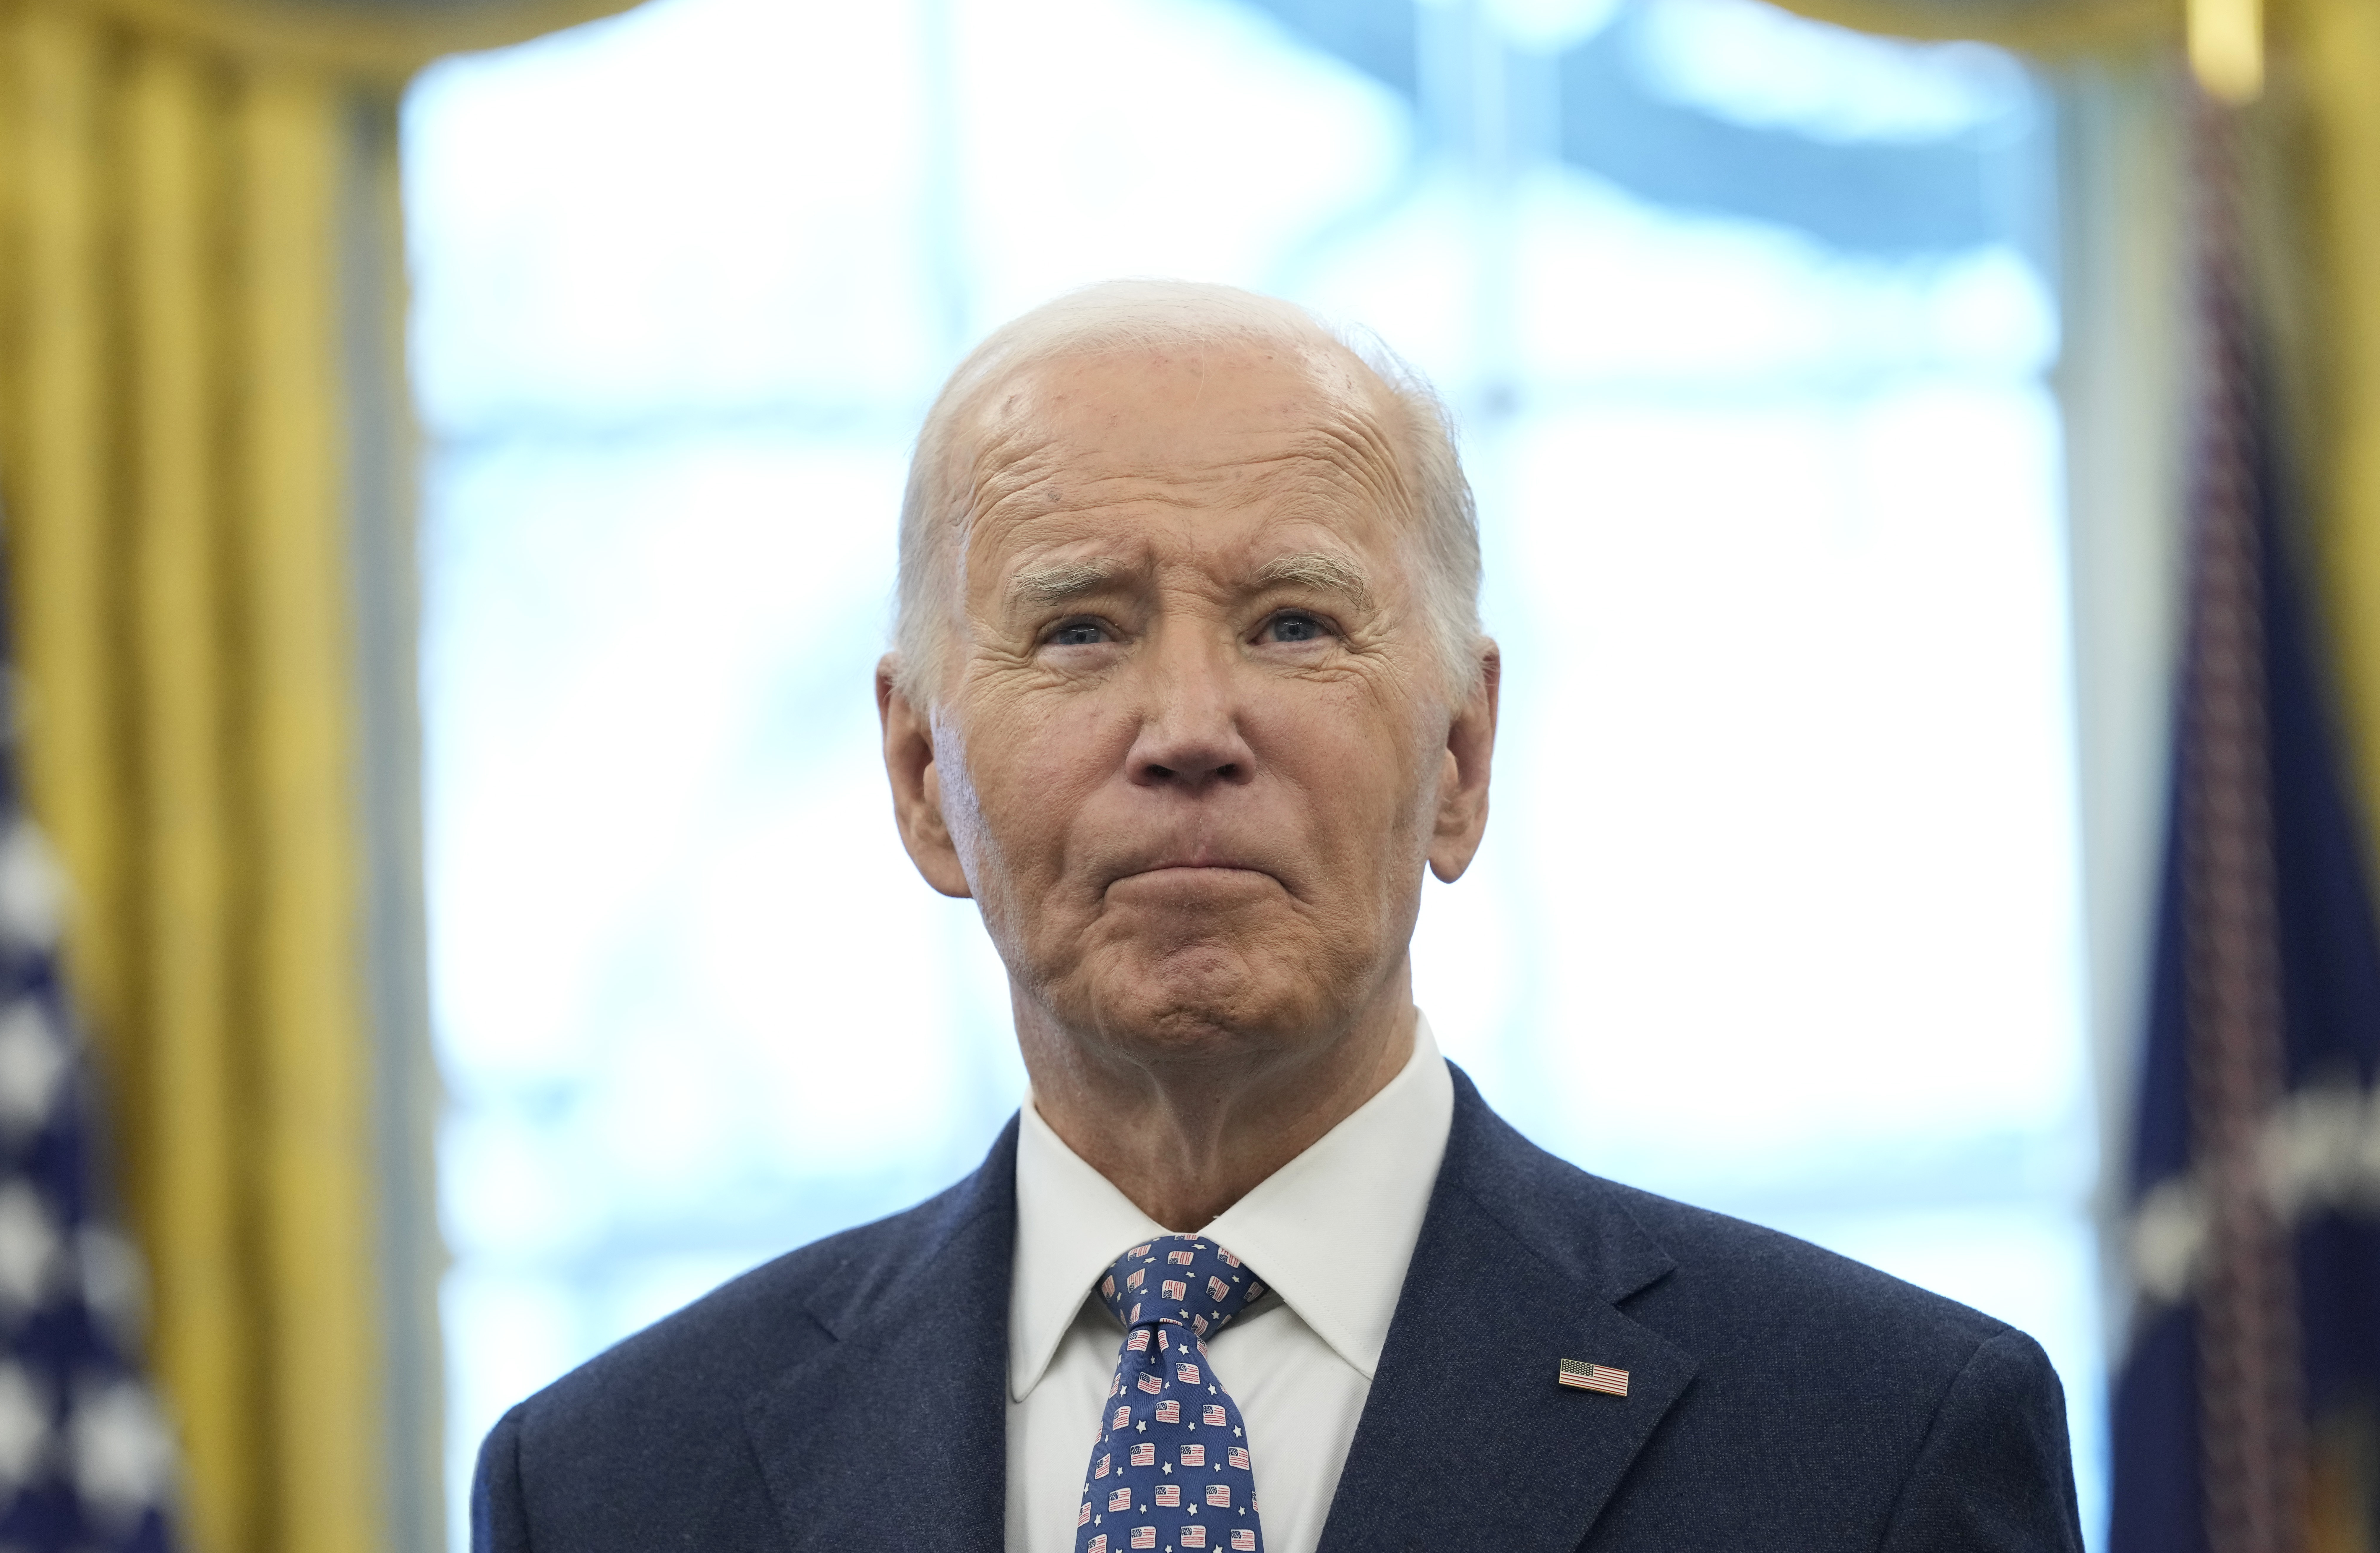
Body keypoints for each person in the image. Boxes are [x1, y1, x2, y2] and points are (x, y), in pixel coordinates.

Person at [471, 280, 2083, 1552]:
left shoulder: (1874, 1442)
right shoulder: (609, 1484)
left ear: (1459, 758)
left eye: (1294, 624)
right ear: (918, 779)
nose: (1188, 724)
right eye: (1081, 630)